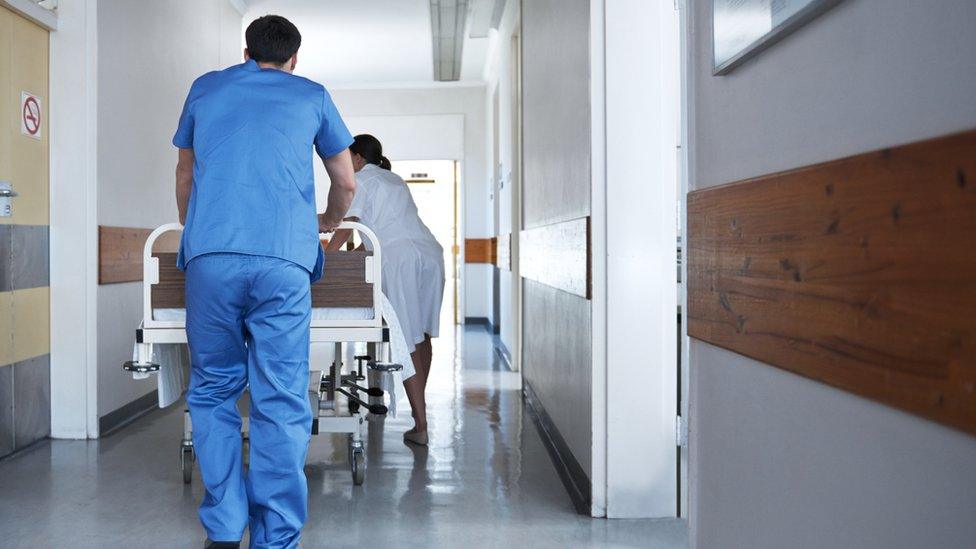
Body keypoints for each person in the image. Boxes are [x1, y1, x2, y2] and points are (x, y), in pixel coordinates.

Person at [173, 15, 356, 549]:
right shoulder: (312, 95)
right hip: (283, 259)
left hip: (211, 257)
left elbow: (185, 174)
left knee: (212, 391)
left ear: (245, 51)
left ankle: (226, 530)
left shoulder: (205, 87)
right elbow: (344, 180)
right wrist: (327, 220)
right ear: (294, 59)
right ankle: (277, 537)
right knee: (279, 397)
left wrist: (200, 230)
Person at [327, 135, 445, 446]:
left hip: (399, 259)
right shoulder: (394, 180)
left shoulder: (359, 180)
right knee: (421, 336)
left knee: (406, 340)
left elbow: (349, 222)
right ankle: (419, 412)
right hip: (430, 254)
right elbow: (381, 229)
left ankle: (421, 425)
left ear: (357, 158)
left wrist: (327, 257)